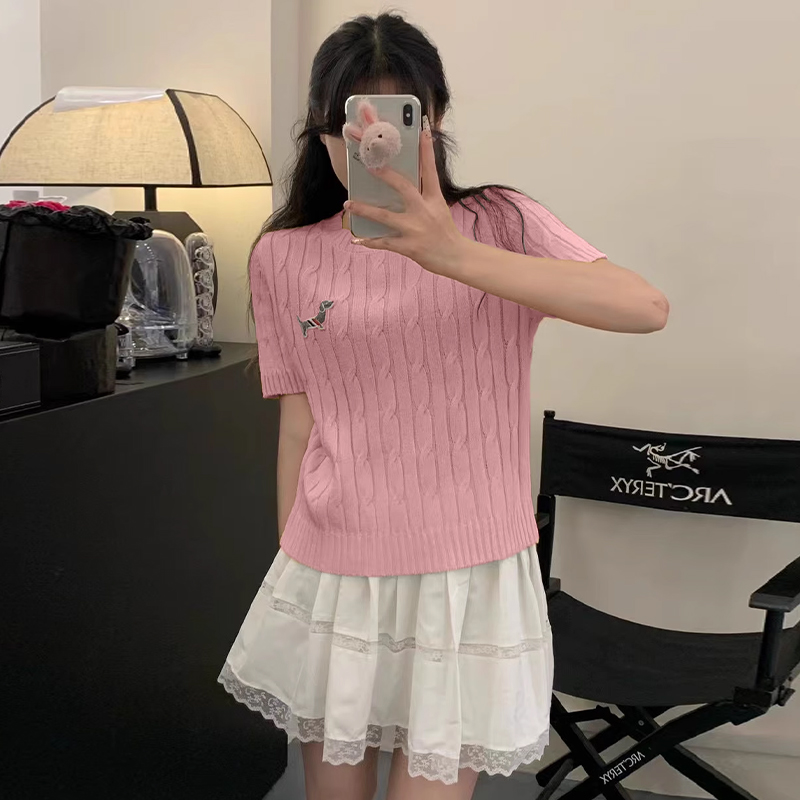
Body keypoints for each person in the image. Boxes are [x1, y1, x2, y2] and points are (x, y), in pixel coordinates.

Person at [219, 12, 668, 800]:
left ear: (433, 119)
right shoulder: (282, 255)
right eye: (351, 118)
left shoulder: (501, 222)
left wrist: (452, 254)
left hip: (466, 576)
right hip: (335, 569)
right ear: (321, 129)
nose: (374, 140)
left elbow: (644, 307)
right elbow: (299, 426)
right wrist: (293, 572)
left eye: (399, 116)